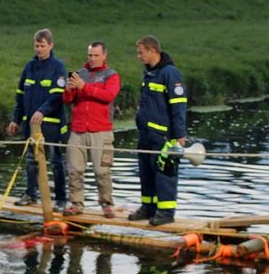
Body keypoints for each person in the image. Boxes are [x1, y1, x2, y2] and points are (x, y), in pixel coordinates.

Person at [128, 35, 188, 226]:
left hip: (163, 136)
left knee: (165, 173)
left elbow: (178, 106)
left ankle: (166, 211)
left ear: (153, 51)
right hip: (146, 134)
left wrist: (179, 136)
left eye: (141, 52)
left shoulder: (170, 73)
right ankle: (148, 207)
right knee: (146, 173)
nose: (139, 56)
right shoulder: (149, 73)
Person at [8, 28, 68, 211]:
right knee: (30, 161)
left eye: (42, 46)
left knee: (56, 162)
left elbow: (57, 96)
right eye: (36, 46)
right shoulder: (29, 67)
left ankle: (60, 199)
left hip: (51, 125)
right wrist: (15, 119)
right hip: (30, 125)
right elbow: (20, 96)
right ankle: (30, 194)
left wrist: (42, 111)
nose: (39, 49)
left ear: (50, 45)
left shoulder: (58, 67)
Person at [62, 41, 120, 218]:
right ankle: (76, 204)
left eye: (96, 55)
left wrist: (83, 87)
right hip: (78, 129)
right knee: (74, 170)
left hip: (101, 131)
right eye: (90, 55)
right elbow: (67, 100)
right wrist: (69, 89)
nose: (92, 59)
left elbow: (107, 96)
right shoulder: (80, 74)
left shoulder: (111, 76)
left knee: (102, 171)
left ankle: (107, 205)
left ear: (104, 55)